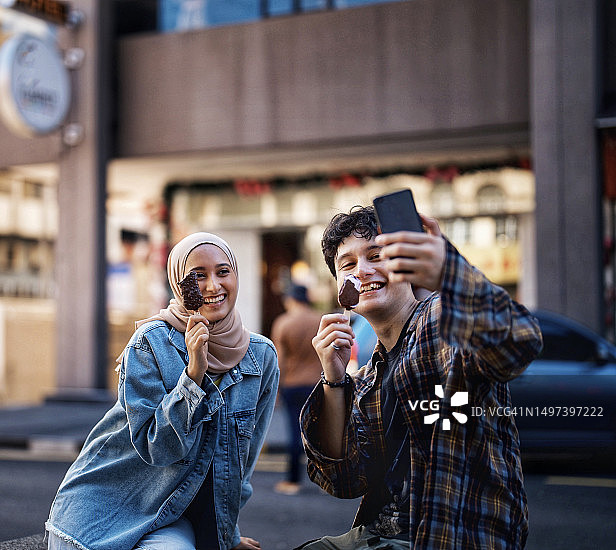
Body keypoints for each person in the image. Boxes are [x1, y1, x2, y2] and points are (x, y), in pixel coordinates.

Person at [297, 205, 542, 549]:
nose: (363, 271)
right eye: (348, 265)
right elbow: (344, 481)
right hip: (378, 537)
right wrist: (334, 380)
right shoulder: (369, 378)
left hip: (454, 538)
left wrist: (448, 271)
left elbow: (520, 339)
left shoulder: (439, 319)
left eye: (376, 255)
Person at [46, 232, 279, 550]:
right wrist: (193, 376)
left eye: (223, 272)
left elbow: (241, 464)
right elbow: (158, 449)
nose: (213, 286)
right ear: (178, 283)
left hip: (171, 517)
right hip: (103, 515)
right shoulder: (151, 342)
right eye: (198, 276)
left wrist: (229, 536)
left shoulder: (261, 356)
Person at [270, 284, 323, 495]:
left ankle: (293, 481)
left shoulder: (283, 323)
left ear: (290, 300)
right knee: (319, 434)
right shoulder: (320, 320)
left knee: (295, 433)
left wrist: (276, 389)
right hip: (318, 383)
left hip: (292, 384)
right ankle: (326, 482)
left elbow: (279, 360)